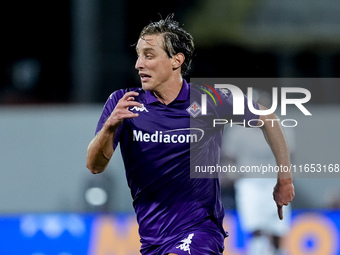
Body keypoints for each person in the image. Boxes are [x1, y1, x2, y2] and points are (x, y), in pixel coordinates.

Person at [86, 14, 294, 255]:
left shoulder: (210, 100)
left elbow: (268, 119)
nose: (138, 64)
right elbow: (94, 166)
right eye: (138, 56)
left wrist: (285, 179)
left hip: (202, 230)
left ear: (176, 60)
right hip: (153, 238)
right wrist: (110, 126)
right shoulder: (124, 103)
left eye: (149, 55)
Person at [221, 90, 296, 255]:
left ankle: (278, 251)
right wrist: (231, 175)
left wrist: (286, 178)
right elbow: (228, 157)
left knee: (278, 226)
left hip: (274, 181)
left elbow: (290, 155)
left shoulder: (281, 126)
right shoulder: (238, 130)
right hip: (249, 182)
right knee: (255, 225)